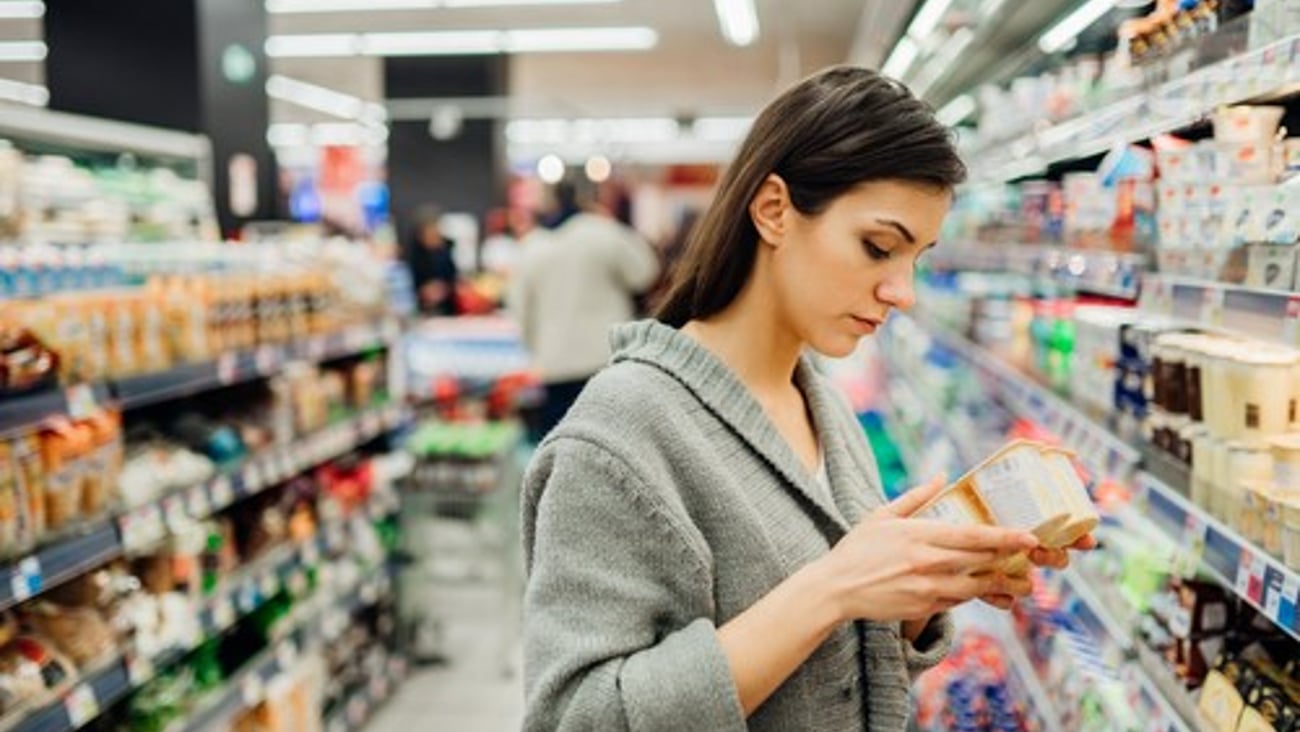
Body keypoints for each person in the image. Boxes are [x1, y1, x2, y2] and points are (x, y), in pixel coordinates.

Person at [520, 66, 1095, 732]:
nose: (901, 291)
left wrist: (916, 593)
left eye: (917, 258)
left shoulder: (823, 406)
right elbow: (575, 719)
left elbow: (830, 680)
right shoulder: (620, 435)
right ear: (772, 211)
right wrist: (833, 586)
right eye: (878, 247)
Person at [509, 180, 659, 441]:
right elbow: (645, 273)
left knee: (559, 450)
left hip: (555, 363)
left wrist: (536, 351)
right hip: (606, 357)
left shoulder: (532, 246)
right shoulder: (603, 232)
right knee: (613, 446)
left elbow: (520, 309)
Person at [405, 205, 460, 317]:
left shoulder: (447, 251)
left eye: (435, 229)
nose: (433, 233)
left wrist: (444, 288)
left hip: (447, 310)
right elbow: (408, 283)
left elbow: (454, 278)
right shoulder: (412, 254)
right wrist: (422, 291)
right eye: (429, 230)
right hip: (419, 310)